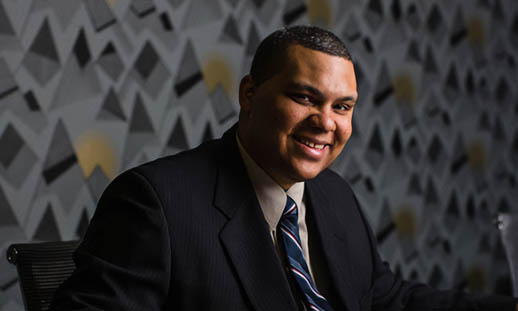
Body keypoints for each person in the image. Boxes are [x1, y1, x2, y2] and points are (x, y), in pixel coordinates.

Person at [51, 25, 517, 311]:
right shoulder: (156, 202)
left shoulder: (334, 196)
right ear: (250, 94)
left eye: (343, 106)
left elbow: (384, 300)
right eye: (305, 98)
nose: (326, 123)